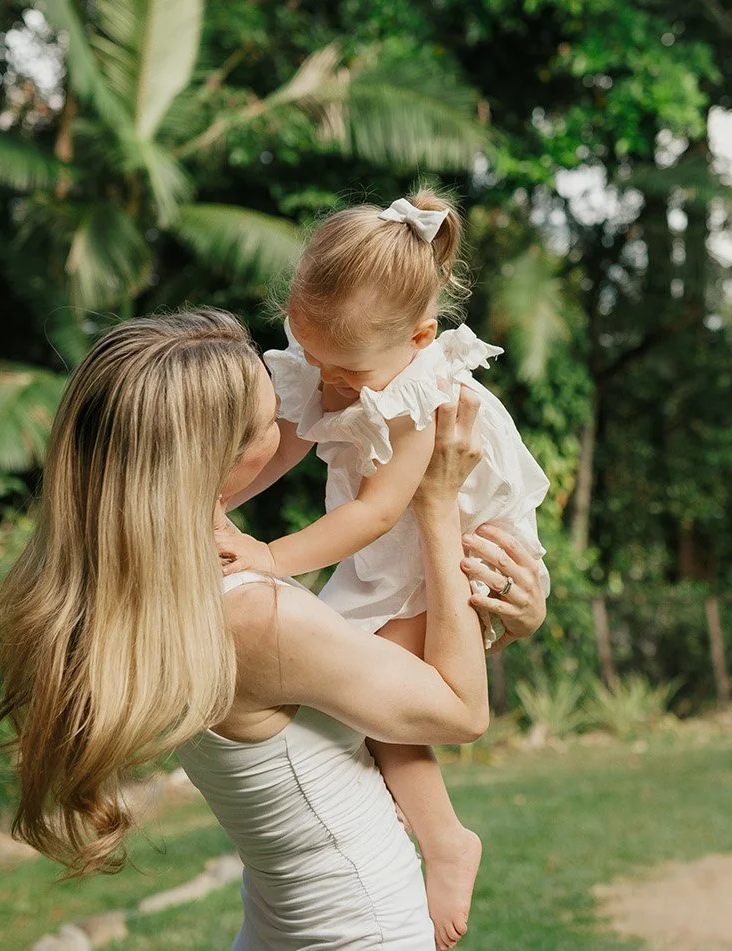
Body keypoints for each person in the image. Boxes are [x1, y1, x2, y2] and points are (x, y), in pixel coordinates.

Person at [0, 310, 547, 950]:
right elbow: (461, 710)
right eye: (271, 418)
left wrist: (509, 609)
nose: (298, 414)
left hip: (276, 926)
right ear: (217, 461)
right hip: (362, 929)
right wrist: (440, 504)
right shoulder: (255, 616)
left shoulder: (130, 587)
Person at [217, 190, 550, 948]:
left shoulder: (425, 397)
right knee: (359, 696)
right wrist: (211, 496)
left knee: (385, 707)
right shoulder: (334, 361)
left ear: (421, 336)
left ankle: (446, 841)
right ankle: (431, 831)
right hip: (393, 559)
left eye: (346, 371)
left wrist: (270, 556)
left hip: (458, 554)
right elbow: (285, 443)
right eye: (315, 359)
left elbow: (373, 511)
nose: (328, 384)